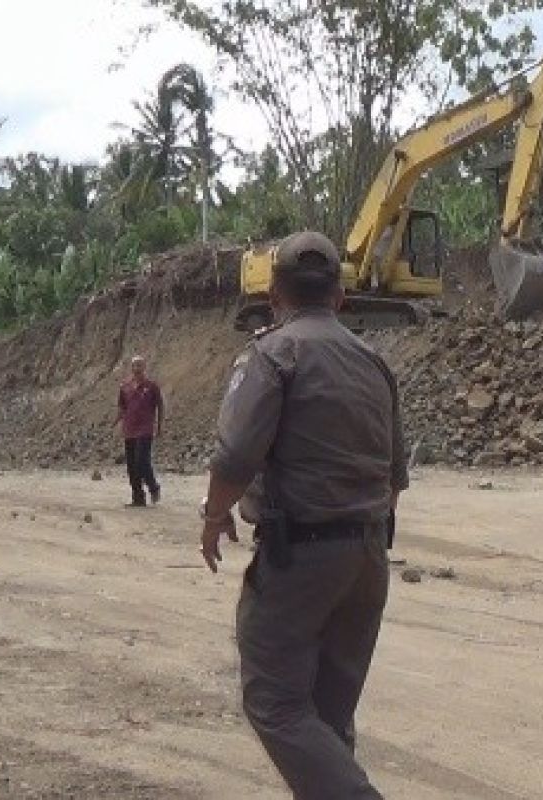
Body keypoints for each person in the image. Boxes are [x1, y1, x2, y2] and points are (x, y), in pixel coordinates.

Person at [199, 231, 409, 799]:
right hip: (367, 556)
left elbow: (236, 456)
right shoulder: (374, 363)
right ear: (340, 296)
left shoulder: (273, 354)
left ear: (274, 296)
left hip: (302, 554)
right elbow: (396, 475)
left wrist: (214, 515)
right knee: (328, 714)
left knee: (275, 702)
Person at [115, 355, 164, 507]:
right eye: (134, 365)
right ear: (131, 368)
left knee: (142, 461)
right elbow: (122, 407)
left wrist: (160, 425)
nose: (137, 368)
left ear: (144, 367)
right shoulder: (125, 387)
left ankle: (153, 487)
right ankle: (138, 497)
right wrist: (116, 422)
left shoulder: (152, 387)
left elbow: (160, 406)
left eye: (140, 365)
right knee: (131, 465)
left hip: (145, 429)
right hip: (129, 429)